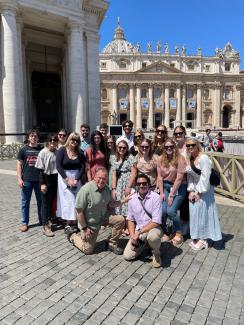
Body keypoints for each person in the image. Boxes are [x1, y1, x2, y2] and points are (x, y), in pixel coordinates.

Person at [68, 167, 132, 255]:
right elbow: (79, 212)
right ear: (94, 177)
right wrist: (84, 228)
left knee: (120, 219)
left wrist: (125, 200)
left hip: (103, 217)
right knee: (88, 250)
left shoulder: (106, 189)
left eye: (104, 178)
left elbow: (111, 204)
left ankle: (111, 243)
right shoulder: (86, 190)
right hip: (90, 224)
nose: (101, 181)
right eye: (99, 178)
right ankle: (72, 236)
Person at [185, 138, 222, 250]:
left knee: (203, 213)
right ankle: (197, 236)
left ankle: (204, 239)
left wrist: (198, 192)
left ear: (197, 145)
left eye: (192, 145)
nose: (190, 147)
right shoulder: (191, 158)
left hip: (204, 190)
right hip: (195, 188)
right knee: (195, 213)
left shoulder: (204, 158)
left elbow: (205, 177)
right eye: (188, 145)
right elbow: (190, 176)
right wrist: (191, 191)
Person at [123, 174, 163, 268]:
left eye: (144, 183)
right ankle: (145, 244)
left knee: (153, 237)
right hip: (140, 231)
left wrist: (139, 232)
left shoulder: (155, 197)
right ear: (136, 185)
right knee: (127, 256)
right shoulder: (132, 199)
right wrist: (133, 237)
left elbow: (156, 221)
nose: (141, 186)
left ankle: (156, 253)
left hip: (153, 228)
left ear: (148, 184)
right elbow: (130, 219)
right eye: (139, 184)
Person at [157, 138, 187, 245]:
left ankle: (179, 233)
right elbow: (160, 177)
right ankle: (166, 232)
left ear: (174, 147)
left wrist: (171, 195)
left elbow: (179, 178)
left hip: (179, 187)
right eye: (166, 147)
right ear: (164, 148)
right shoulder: (160, 159)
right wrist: (161, 193)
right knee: (163, 210)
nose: (169, 148)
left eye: (171, 146)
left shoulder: (180, 159)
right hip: (165, 186)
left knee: (171, 211)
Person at [56, 132, 86, 234]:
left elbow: (82, 167)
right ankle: (68, 223)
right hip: (64, 177)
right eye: (73, 139)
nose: (74, 142)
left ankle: (75, 222)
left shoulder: (80, 152)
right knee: (69, 200)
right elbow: (59, 166)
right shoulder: (62, 150)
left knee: (77, 199)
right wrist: (67, 179)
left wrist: (76, 179)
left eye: (77, 140)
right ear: (69, 139)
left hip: (76, 177)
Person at [17, 129, 43, 232]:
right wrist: (19, 178)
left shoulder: (41, 149)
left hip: (39, 180)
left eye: (35, 136)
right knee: (25, 202)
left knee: (40, 201)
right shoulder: (23, 150)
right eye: (31, 136)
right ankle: (24, 222)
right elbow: (19, 164)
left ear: (38, 137)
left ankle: (42, 220)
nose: (33, 137)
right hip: (27, 179)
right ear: (28, 138)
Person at [35, 133, 58, 237]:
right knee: (45, 203)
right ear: (48, 141)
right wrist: (42, 183)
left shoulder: (57, 152)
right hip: (46, 179)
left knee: (51, 202)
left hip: (55, 179)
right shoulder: (43, 152)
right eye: (51, 140)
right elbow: (40, 170)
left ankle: (49, 221)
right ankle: (45, 226)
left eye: (55, 140)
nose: (53, 142)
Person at [111, 139, 136, 235]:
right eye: (120, 147)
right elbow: (114, 174)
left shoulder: (130, 158)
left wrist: (129, 186)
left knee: (127, 205)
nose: (122, 149)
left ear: (127, 148)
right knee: (119, 204)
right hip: (119, 184)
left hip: (127, 182)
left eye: (124, 147)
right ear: (117, 148)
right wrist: (114, 188)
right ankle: (121, 226)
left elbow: (134, 173)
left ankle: (127, 227)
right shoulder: (115, 158)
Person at [173, 126, 189, 232]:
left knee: (186, 204)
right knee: (177, 203)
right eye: (176, 134)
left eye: (180, 133)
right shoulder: (174, 148)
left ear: (184, 133)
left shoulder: (189, 146)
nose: (178, 135)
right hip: (176, 180)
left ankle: (185, 228)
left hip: (188, 179)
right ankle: (178, 228)